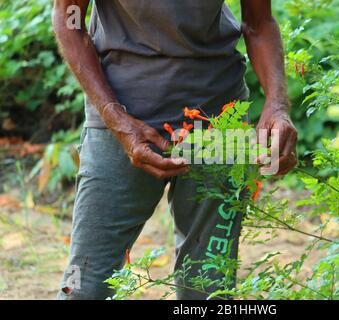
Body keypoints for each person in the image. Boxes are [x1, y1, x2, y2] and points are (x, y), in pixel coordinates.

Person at [53, 0, 297, 300]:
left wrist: (277, 105)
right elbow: (69, 19)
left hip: (219, 123)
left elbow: (259, 23)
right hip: (120, 120)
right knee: (86, 286)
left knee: (208, 286)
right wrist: (118, 122)